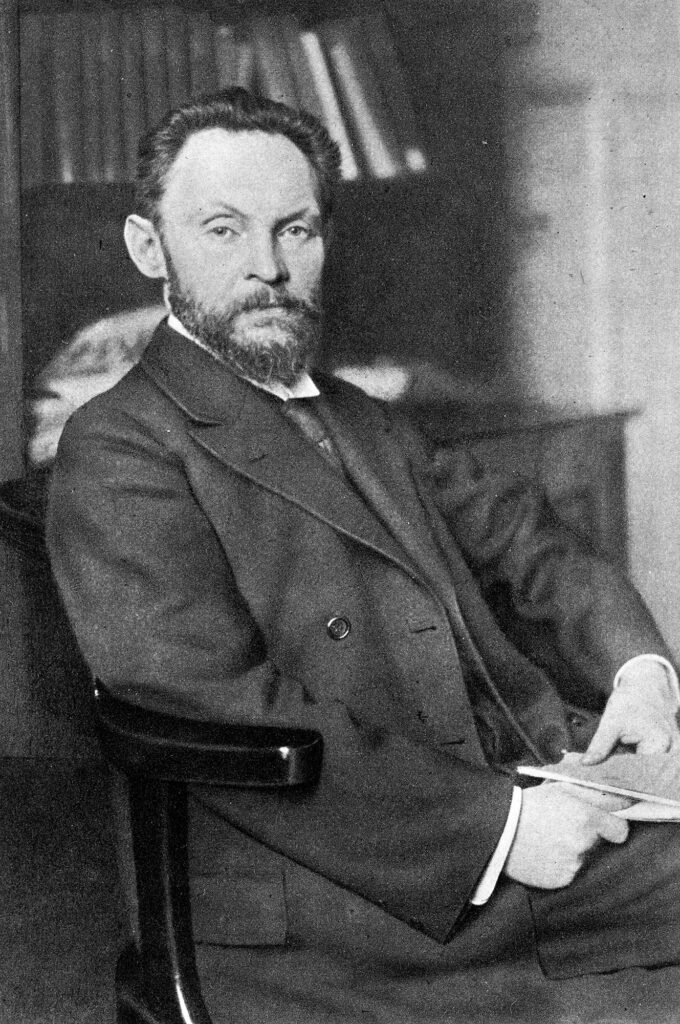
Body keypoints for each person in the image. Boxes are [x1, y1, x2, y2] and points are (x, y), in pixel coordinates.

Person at [46, 89, 680, 1023]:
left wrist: (639, 675)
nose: (267, 267)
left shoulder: (362, 418)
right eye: (222, 230)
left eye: (294, 230)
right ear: (151, 248)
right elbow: (210, 701)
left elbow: (529, 544)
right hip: (325, 896)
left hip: (499, 801)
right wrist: (499, 830)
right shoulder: (117, 447)